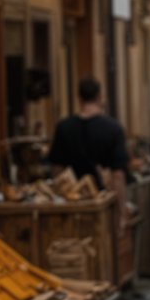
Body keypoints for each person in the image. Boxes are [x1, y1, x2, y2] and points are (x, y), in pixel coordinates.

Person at [47, 76, 129, 233]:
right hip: (103, 204)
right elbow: (117, 175)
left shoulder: (64, 128)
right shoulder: (113, 129)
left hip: (72, 206)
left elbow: (57, 170)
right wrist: (122, 211)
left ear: (79, 97)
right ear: (100, 97)